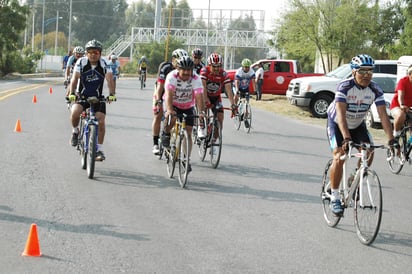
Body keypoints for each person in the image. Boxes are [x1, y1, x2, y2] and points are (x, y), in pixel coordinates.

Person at [326, 54, 395, 216]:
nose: (366, 75)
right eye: (362, 71)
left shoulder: (375, 89)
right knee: (339, 156)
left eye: (370, 71)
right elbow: (341, 115)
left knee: (369, 151)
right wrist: (347, 138)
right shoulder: (344, 87)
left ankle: (353, 178)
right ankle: (335, 197)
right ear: (353, 72)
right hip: (337, 124)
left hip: (357, 124)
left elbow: (383, 116)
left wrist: (391, 139)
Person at [67, 39, 117, 161]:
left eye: (96, 52)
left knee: (100, 121)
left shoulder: (105, 63)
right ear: (86, 53)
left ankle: (98, 149)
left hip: (98, 97)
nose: (93, 54)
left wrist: (111, 94)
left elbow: (110, 79)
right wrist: (72, 93)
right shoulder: (81, 62)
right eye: (90, 52)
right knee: (75, 112)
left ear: (100, 53)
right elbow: (74, 79)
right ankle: (75, 131)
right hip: (82, 95)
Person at [161, 55, 206, 172]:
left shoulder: (196, 78)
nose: (186, 73)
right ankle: (165, 133)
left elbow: (199, 96)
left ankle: (186, 159)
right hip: (173, 103)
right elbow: (169, 94)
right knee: (172, 117)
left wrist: (201, 112)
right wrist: (170, 110)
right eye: (184, 70)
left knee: (188, 132)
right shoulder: (172, 76)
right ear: (178, 69)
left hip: (187, 105)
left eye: (189, 70)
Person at [151, 49, 188, 155]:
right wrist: (158, 100)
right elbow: (160, 87)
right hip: (161, 90)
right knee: (158, 114)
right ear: (173, 60)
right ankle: (155, 143)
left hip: (175, 93)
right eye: (178, 60)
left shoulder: (185, 70)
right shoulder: (166, 68)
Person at [200, 53, 235, 153]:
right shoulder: (204, 71)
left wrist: (232, 104)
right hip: (204, 94)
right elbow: (202, 87)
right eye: (214, 66)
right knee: (203, 109)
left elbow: (228, 90)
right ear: (209, 65)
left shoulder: (223, 74)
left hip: (216, 97)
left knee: (220, 119)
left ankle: (214, 141)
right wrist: (206, 99)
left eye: (218, 66)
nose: (216, 69)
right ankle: (201, 126)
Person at [390, 64, 412, 139]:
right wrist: (402, 104)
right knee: (401, 115)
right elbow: (401, 95)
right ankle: (396, 134)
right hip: (397, 106)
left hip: (410, 108)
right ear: (409, 74)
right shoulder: (403, 81)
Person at [234, 58, 256, 128]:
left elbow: (253, 81)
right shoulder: (239, 71)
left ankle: (245, 118)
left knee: (246, 104)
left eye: (248, 67)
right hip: (238, 86)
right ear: (242, 66)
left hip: (246, 88)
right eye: (245, 67)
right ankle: (234, 108)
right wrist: (237, 90)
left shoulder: (251, 71)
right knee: (236, 96)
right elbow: (236, 81)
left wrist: (255, 90)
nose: (247, 68)